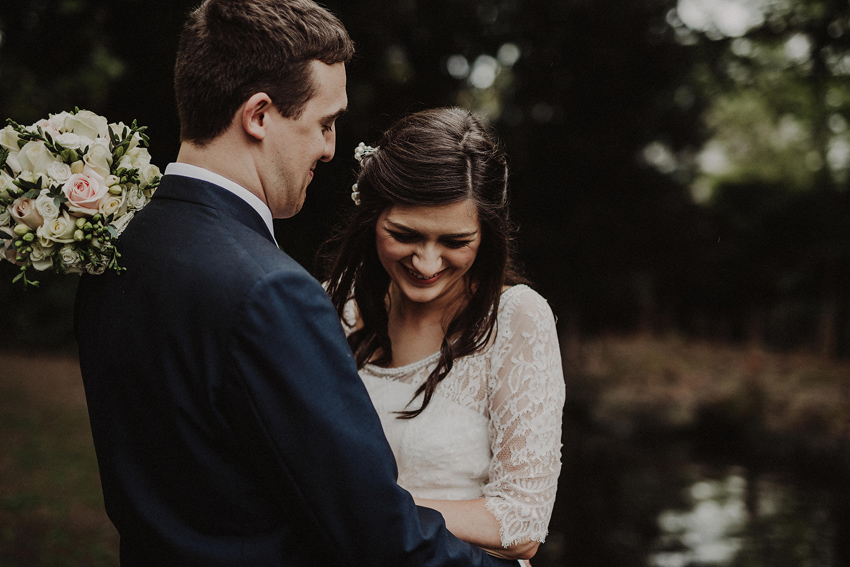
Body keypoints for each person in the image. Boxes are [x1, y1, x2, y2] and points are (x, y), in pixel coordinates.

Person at [74, 2, 521, 566]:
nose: (331, 149)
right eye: (325, 123)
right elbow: (376, 534)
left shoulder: (121, 249)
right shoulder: (271, 292)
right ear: (259, 115)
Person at [323, 108, 566, 564]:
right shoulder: (332, 309)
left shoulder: (516, 318)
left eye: (455, 242)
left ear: (486, 235)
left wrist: (368, 512)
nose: (427, 263)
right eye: (405, 234)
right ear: (372, 216)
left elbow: (522, 524)